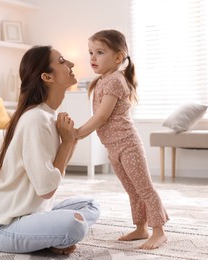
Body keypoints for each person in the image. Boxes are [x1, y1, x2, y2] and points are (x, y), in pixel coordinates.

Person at [0, 45, 100, 255]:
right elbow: (47, 189)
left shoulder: (49, 115)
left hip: (32, 213)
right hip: (2, 225)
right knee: (76, 225)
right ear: (47, 77)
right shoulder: (36, 119)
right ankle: (49, 237)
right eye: (62, 61)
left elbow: (55, 168)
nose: (71, 64)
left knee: (90, 206)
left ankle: (46, 235)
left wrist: (70, 140)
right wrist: (67, 143)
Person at [76, 30, 169, 250]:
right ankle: (141, 227)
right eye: (90, 52)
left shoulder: (116, 81)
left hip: (128, 145)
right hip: (113, 147)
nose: (92, 58)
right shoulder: (101, 81)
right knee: (132, 190)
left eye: (99, 52)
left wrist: (78, 133)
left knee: (144, 188)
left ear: (118, 57)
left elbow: (101, 117)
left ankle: (159, 232)